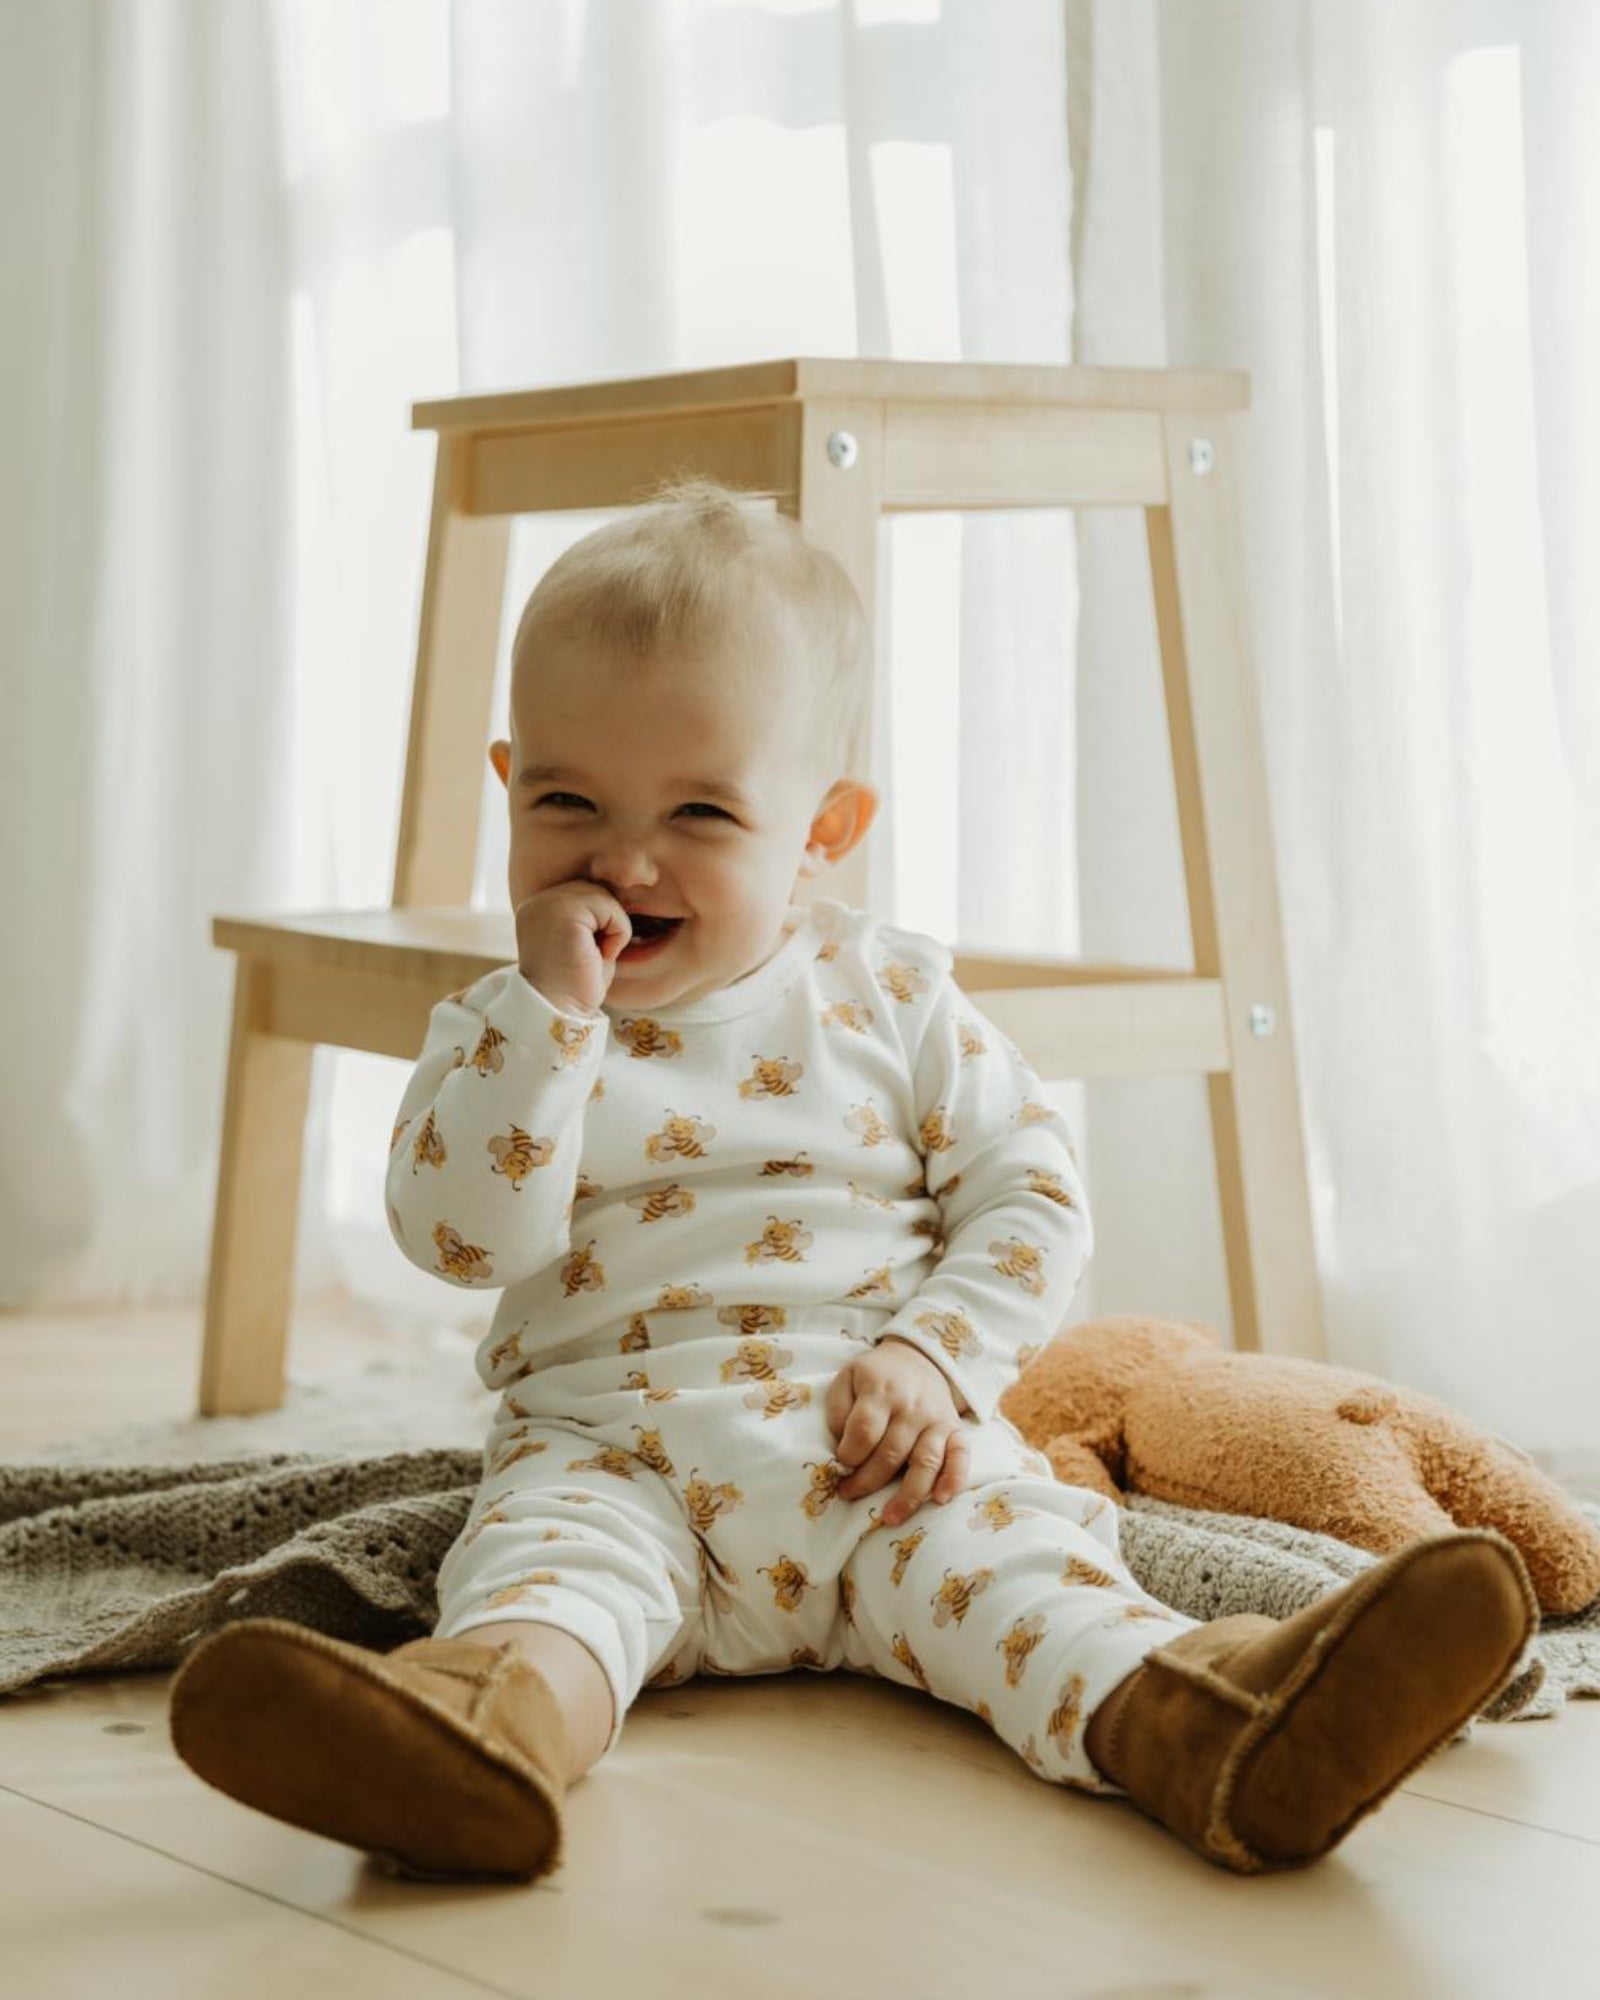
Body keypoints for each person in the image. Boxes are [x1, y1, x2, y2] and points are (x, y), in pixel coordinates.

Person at [168, 478, 1537, 1886]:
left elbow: (1031, 1196)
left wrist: (937, 1355)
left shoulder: (893, 996)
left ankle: (1222, 1725)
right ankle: (472, 1740)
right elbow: (463, 1241)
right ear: (508, 783)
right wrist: (549, 1024)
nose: (623, 858)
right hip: (612, 1458)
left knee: (1036, 1588)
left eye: (700, 810)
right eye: (567, 800)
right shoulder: (500, 1028)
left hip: (884, 1457)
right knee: (546, 1589)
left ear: (822, 828)